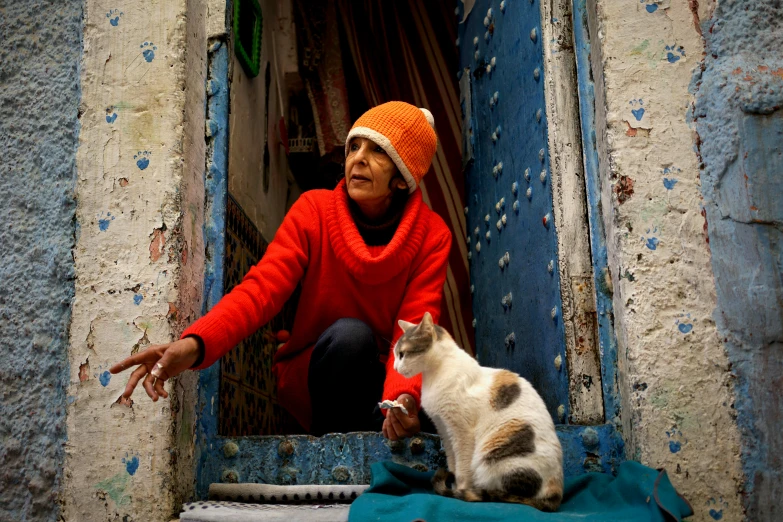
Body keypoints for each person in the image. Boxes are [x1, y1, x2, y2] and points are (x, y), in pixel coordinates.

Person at [110, 101, 452, 441]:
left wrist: (403, 398)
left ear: (403, 179)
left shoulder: (432, 235)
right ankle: (331, 453)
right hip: (317, 372)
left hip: (384, 381)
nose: (358, 158)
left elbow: (415, 327)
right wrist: (196, 343)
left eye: (378, 150)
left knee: (446, 400)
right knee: (351, 337)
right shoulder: (313, 210)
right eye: (354, 146)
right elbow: (261, 289)